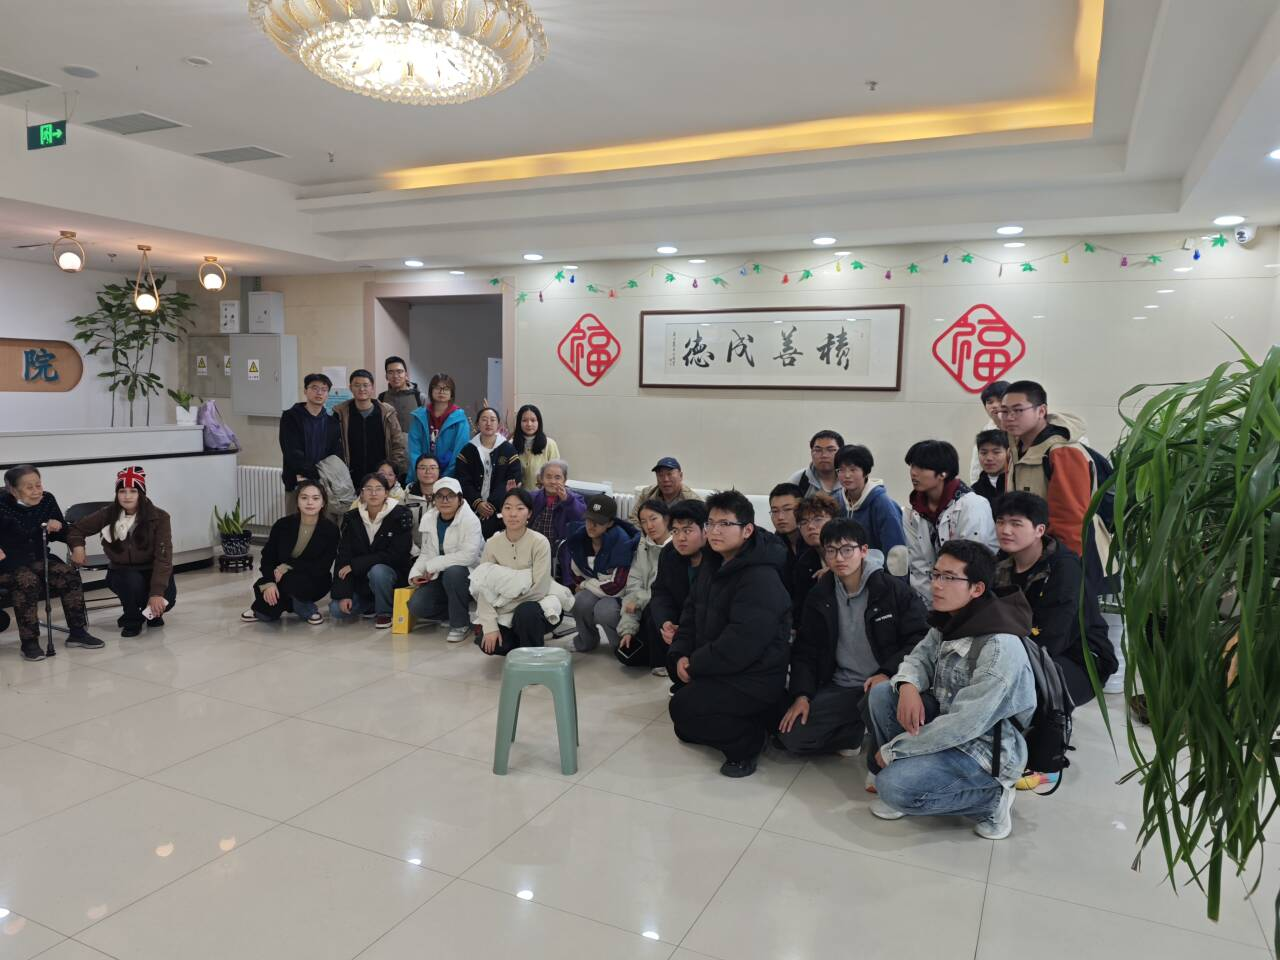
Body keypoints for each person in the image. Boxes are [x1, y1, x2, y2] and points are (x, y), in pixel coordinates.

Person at [865, 539, 1035, 840]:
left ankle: (993, 799)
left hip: (985, 750)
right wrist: (907, 685)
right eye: (935, 574)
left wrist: (895, 750)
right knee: (883, 694)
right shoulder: (952, 619)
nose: (936, 585)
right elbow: (918, 657)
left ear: (977, 589)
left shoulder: (999, 646)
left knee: (893, 787)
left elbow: (964, 725)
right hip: (950, 725)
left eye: (949, 578)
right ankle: (913, 772)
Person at [777, 518, 928, 757]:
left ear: (864, 550)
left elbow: (919, 639)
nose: (839, 558)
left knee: (891, 727)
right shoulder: (819, 595)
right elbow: (806, 649)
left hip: (883, 684)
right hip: (842, 686)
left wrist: (887, 672)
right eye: (831, 551)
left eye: (847, 550)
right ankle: (856, 730)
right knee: (792, 737)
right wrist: (802, 695)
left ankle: (873, 725)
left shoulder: (893, 590)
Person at [667, 490, 792, 778]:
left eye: (725, 524)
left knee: (683, 708)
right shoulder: (712, 563)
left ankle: (748, 744)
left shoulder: (761, 576)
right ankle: (753, 719)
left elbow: (742, 643)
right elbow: (690, 613)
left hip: (755, 676)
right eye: (710, 523)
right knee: (684, 726)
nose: (715, 531)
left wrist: (696, 664)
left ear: (747, 530)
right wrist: (681, 654)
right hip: (721, 667)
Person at [993, 492, 1116, 709]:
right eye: (1000, 522)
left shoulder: (1064, 569)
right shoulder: (1001, 562)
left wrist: (1003, 662)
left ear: (1040, 530)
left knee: (1017, 689)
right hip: (1023, 648)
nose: (1005, 530)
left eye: (1016, 524)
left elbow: (1054, 635)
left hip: (1080, 658)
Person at [1000, 380, 1109, 582]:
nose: (1010, 417)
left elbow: (1071, 520)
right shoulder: (1014, 449)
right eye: (1004, 411)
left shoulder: (1063, 451)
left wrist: (1063, 567)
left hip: (1070, 560)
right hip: (1032, 555)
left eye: (1018, 410)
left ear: (1041, 411)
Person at [0, 465, 103, 659]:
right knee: (27, 581)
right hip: (7, 564)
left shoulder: (47, 500)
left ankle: (78, 632)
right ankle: (29, 642)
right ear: (13, 490)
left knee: (67, 574)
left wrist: (70, 540)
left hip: (38, 559)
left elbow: (63, 532)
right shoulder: (1, 505)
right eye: (29, 487)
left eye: (38, 485)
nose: (36, 491)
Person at [67, 466, 176, 638]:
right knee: (132, 584)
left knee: (167, 599)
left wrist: (156, 593)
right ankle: (132, 619)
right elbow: (76, 529)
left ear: (142, 493)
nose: (127, 496)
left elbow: (163, 558)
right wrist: (78, 547)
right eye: (122, 491)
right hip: (122, 571)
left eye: (133, 491)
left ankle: (151, 613)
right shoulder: (107, 514)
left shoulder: (160, 517)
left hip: (152, 569)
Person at [903, 440, 998, 607]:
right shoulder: (914, 510)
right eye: (912, 466)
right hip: (934, 599)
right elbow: (918, 564)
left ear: (943, 473)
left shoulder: (972, 505)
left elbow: (971, 565)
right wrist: (931, 606)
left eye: (922, 468)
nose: (914, 473)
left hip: (972, 599)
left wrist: (952, 608)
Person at [241, 480, 339, 625]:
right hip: (281, 578)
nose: (310, 502)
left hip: (314, 580)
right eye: (304, 498)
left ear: (323, 503)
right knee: (266, 614)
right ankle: (300, 607)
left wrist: (287, 567)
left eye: (315, 498)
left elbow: (322, 566)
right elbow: (268, 556)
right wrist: (269, 581)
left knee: (286, 583)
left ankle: (301, 608)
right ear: (297, 501)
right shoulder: (282, 525)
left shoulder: (331, 530)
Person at [474, 488, 554, 656]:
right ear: (501, 511)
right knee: (489, 643)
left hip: (536, 606)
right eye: (508, 508)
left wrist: (502, 606)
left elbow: (539, 589)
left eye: (520, 508)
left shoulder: (539, 542)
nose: (513, 514)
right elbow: (483, 586)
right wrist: (490, 626)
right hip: (504, 610)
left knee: (526, 613)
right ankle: (522, 639)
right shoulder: (492, 543)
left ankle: (533, 655)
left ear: (529, 513)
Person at [330, 472, 414, 628]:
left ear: (386, 493)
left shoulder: (400, 515)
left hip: (392, 576)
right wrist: (344, 594)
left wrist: (356, 565)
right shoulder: (352, 518)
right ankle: (371, 605)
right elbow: (343, 557)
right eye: (368, 489)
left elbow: (396, 555)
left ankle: (385, 613)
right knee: (336, 610)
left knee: (378, 571)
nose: (373, 493)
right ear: (362, 493)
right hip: (362, 582)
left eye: (378, 489)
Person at [407, 477, 484, 643]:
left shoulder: (470, 520)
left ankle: (460, 624)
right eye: (440, 496)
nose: (445, 500)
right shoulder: (429, 518)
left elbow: (468, 556)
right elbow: (426, 552)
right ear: (434, 499)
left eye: (451, 496)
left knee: (453, 572)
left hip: (468, 573)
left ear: (460, 499)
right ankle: (456, 613)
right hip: (440, 575)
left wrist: (433, 565)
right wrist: (416, 573)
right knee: (417, 606)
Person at [565, 494, 640, 653]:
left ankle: (619, 647)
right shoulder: (579, 537)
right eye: (588, 519)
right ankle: (586, 641)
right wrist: (585, 584)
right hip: (598, 587)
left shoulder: (622, 541)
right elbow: (575, 571)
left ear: (610, 523)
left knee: (604, 610)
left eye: (598, 522)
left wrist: (586, 584)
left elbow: (617, 587)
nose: (591, 526)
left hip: (619, 594)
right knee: (579, 602)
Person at [642, 499, 708, 677]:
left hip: (704, 623)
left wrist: (686, 630)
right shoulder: (669, 552)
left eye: (687, 530)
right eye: (675, 531)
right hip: (679, 615)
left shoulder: (718, 558)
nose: (680, 538)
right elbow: (660, 591)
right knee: (652, 613)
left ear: (705, 529)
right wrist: (666, 622)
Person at [616, 499, 672, 671]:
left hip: (667, 608)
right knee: (625, 655)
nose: (649, 526)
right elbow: (633, 586)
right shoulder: (643, 546)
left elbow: (667, 591)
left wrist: (640, 600)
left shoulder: (677, 547)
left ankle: (663, 660)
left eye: (653, 519)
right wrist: (628, 629)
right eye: (644, 521)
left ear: (666, 519)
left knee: (653, 608)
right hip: (644, 606)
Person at [279, 373, 343, 514]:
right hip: (297, 482)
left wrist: (322, 476)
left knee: (323, 523)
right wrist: (315, 473)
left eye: (324, 389)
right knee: (295, 522)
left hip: (324, 484)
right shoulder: (291, 417)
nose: (319, 392)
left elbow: (335, 455)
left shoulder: (332, 423)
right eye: (314, 388)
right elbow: (291, 452)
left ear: (327, 394)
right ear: (305, 390)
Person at [456, 406, 523, 538]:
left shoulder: (508, 449)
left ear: (498, 424)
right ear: (477, 424)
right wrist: (478, 502)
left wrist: (492, 504)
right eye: (484, 419)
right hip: (471, 509)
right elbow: (462, 480)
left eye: (492, 420)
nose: (488, 423)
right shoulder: (468, 450)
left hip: (500, 509)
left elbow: (512, 479)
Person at [834, 444, 907, 565]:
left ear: (866, 472)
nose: (847, 475)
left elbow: (896, 551)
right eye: (841, 470)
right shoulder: (837, 501)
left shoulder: (882, 504)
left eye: (853, 470)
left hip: (878, 572)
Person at [335, 369, 407, 491]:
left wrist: (393, 471)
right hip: (350, 478)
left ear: (372, 387)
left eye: (365, 385)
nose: (361, 389)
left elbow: (398, 444)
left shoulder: (387, 413)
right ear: (350, 388)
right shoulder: (341, 413)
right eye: (357, 385)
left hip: (382, 478)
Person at [528, 460, 586, 583]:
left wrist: (567, 500)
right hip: (535, 544)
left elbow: (582, 518)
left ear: (564, 480)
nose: (553, 481)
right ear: (541, 479)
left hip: (560, 547)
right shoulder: (532, 497)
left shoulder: (574, 498)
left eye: (557, 477)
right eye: (548, 477)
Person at [407, 373, 471, 480]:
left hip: (449, 478)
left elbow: (460, 452)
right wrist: (422, 474)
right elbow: (414, 450)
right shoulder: (419, 416)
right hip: (421, 477)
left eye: (446, 388)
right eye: (437, 387)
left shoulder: (460, 419)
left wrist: (445, 478)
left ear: (452, 393)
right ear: (431, 391)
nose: (441, 391)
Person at [791, 492, 840, 623]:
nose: (810, 526)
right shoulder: (804, 563)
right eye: (803, 522)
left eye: (818, 519)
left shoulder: (853, 555)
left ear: (834, 521)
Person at [630, 457, 702, 524]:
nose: (665, 479)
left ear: (680, 476)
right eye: (660, 475)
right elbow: (633, 519)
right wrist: (646, 532)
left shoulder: (692, 501)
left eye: (669, 474)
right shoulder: (647, 494)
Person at [969, 380, 1010, 483]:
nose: (994, 405)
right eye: (990, 402)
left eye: (1000, 400)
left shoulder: (1023, 430)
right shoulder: (985, 433)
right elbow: (976, 469)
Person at [512, 404, 561, 491]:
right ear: (519, 423)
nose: (529, 424)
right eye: (524, 420)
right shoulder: (511, 444)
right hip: (519, 496)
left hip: (543, 495)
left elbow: (557, 473)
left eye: (533, 420)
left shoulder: (550, 444)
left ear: (539, 422)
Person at [767, 483, 803, 595]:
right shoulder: (770, 546)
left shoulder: (815, 540)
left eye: (787, 509)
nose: (780, 517)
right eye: (775, 511)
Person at [789, 430, 844, 498]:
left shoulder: (850, 479)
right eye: (818, 450)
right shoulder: (799, 479)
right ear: (811, 453)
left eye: (830, 450)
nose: (824, 455)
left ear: (841, 452)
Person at [404, 454, 441, 549]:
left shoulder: (449, 496)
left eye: (433, 468)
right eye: (423, 468)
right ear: (416, 471)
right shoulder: (405, 497)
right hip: (411, 551)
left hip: (442, 552)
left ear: (439, 471)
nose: (428, 472)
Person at [378, 356, 423, 433]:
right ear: (386, 376)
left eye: (399, 372)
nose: (395, 376)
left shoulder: (420, 397)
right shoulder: (381, 398)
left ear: (406, 375)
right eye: (390, 372)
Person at [971, 430, 1009, 505]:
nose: (989, 458)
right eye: (984, 453)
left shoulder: (1016, 484)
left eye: (996, 452)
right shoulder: (974, 491)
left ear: (1008, 453)